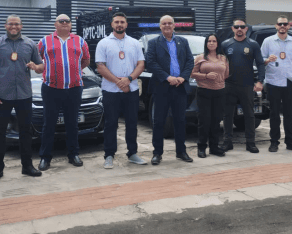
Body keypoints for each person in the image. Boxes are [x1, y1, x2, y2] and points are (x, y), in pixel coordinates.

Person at [0, 15, 44, 182]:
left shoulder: (30, 44)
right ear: (5, 26)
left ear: (21, 26)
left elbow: (41, 67)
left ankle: (27, 167)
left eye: (17, 24)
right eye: (10, 24)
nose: (13, 27)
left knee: (26, 132)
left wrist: (36, 66)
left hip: (24, 95)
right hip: (2, 96)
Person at [37, 14, 91, 170]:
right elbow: (36, 58)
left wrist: (74, 70)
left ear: (71, 25)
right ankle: (45, 157)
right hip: (51, 88)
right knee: (49, 124)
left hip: (74, 88)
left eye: (68, 21)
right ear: (55, 24)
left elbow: (86, 60)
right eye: (61, 21)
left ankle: (73, 154)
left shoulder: (80, 41)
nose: (65, 23)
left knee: (72, 123)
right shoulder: (44, 41)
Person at [95, 12, 147, 169]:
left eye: (122, 22)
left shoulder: (134, 43)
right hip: (110, 90)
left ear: (126, 25)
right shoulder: (103, 43)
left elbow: (141, 65)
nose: (119, 24)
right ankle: (109, 155)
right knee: (111, 123)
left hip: (131, 89)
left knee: (132, 122)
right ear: (112, 24)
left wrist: (128, 79)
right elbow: (100, 66)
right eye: (116, 22)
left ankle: (132, 153)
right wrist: (118, 81)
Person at [145, 15, 195, 165]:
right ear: (160, 26)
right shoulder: (154, 43)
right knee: (159, 121)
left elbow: (190, 61)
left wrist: (183, 77)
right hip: (162, 87)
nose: (167, 26)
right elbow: (151, 62)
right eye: (164, 23)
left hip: (180, 86)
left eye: (170, 23)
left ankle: (181, 151)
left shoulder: (183, 41)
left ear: (174, 26)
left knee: (180, 120)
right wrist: (167, 77)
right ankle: (157, 153)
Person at [261, 16, 292, 153]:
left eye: (285, 24)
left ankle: (290, 142)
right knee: (274, 114)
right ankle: (274, 142)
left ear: (288, 26)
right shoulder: (268, 41)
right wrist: (267, 60)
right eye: (280, 24)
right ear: (276, 26)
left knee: (289, 114)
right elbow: (260, 60)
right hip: (273, 81)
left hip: (289, 82)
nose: (282, 26)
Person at [220, 19, 265, 154]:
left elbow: (260, 63)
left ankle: (250, 143)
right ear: (232, 29)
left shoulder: (253, 44)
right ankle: (227, 142)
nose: (239, 29)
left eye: (242, 27)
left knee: (250, 115)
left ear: (246, 29)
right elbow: (220, 63)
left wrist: (260, 81)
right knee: (227, 115)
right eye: (236, 26)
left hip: (247, 85)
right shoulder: (225, 44)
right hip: (229, 85)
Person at [191, 34, 228, 158]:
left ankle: (214, 147)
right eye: (209, 41)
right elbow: (192, 73)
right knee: (204, 120)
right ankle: (201, 148)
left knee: (216, 120)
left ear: (218, 43)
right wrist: (206, 76)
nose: (211, 43)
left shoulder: (223, 58)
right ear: (206, 44)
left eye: (214, 41)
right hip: (204, 91)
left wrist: (218, 80)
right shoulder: (200, 58)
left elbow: (226, 74)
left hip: (220, 92)